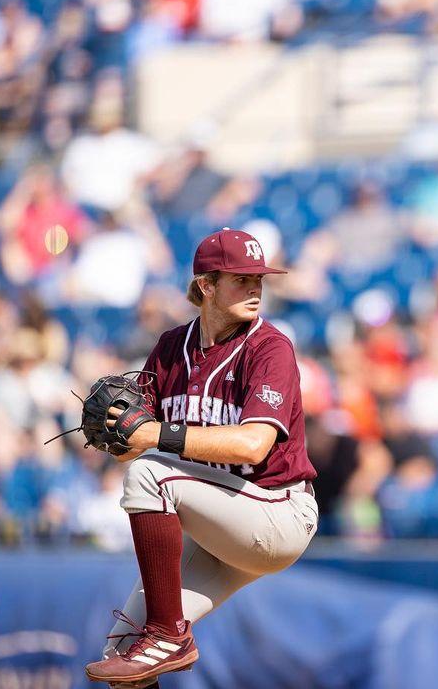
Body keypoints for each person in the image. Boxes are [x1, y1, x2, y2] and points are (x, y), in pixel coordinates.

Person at [83, 228, 319, 687]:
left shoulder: (270, 347)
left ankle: (169, 632)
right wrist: (117, 434)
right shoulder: (171, 348)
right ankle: (160, 637)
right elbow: (132, 446)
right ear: (206, 286)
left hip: (276, 512)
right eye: (240, 279)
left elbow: (253, 445)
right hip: (218, 527)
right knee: (126, 651)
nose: (255, 289)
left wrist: (154, 435)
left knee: (152, 474)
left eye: (259, 280)